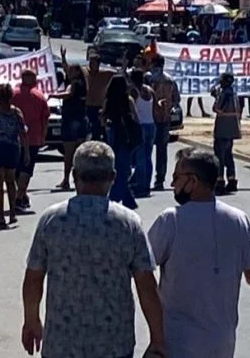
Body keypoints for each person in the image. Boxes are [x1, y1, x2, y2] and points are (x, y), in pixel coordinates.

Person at [21, 141, 166, 358]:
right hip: (113, 344)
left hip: (62, 344)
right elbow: (146, 285)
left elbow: (34, 278)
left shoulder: (52, 220)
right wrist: (158, 338)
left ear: (74, 175)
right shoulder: (129, 223)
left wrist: (31, 320)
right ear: (113, 177)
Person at [147, 148, 250, 358]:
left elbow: (142, 270)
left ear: (192, 181)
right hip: (221, 343)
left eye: (176, 178)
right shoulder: (239, 219)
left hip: (176, 342)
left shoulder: (171, 221)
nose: (172, 184)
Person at [0, 83, 28, 227]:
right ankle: (12, 213)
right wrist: (26, 152)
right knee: (10, 180)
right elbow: (23, 133)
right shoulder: (16, 112)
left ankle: (1, 215)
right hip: (12, 149)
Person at [11, 69, 49, 213]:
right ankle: (19, 198)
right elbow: (44, 118)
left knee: (16, 168)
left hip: (15, 138)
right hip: (33, 138)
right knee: (27, 169)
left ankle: (21, 195)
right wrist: (43, 137)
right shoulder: (39, 96)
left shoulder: (13, 95)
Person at [102, 75, 140, 210]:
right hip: (126, 136)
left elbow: (103, 118)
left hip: (113, 134)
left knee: (118, 167)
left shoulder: (109, 101)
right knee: (124, 168)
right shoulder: (127, 100)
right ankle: (116, 197)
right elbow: (136, 118)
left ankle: (126, 199)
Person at [50, 62, 88, 191]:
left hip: (71, 121)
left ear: (77, 72)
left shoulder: (74, 84)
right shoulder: (83, 84)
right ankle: (81, 180)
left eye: (71, 71)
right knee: (80, 154)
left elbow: (68, 94)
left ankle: (66, 180)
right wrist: (64, 60)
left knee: (68, 154)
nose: (68, 73)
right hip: (82, 120)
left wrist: (52, 95)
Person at [149, 55, 180, 190]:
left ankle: (144, 178)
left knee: (145, 150)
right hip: (165, 118)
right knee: (162, 151)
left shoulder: (149, 78)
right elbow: (176, 99)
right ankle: (159, 180)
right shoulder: (170, 80)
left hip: (150, 118)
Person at [212, 73, 242, 194]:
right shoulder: (234, 94)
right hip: (232, 128)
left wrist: (216, 98)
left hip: (223, 128)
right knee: (229, 154)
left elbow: (218, 109)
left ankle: (220, 182)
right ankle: (232, 179)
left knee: (219, 155)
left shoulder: (224, 94)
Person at [129, 69, 157, 198]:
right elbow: (156, 107)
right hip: (151, 124)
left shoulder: (134, 91)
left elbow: (132, 109)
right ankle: (146, 185)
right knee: (147, 157)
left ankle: (140, 187)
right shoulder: (150, 90)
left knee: (140, 158)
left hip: (141, 126)